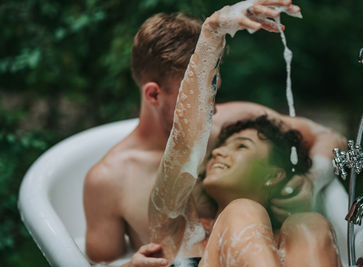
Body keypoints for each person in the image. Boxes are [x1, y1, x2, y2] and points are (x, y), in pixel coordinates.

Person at [83, 0, 345, 264]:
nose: (213, 110)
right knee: (243, 211)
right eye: (196, 95)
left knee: (307, 223)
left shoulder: (233, 124)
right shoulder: (109, 179)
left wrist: (313, 179)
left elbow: (331, 138)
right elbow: (95, 263)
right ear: (153, 94)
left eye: (213, 88)